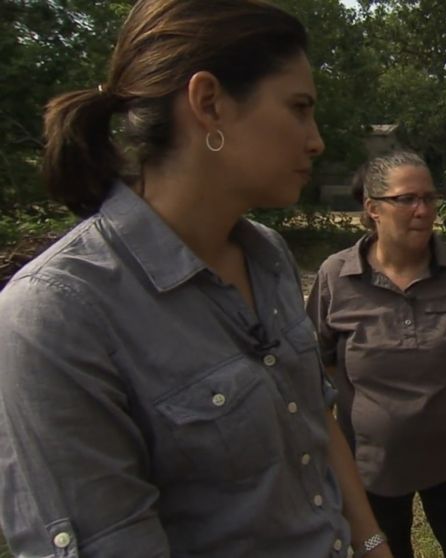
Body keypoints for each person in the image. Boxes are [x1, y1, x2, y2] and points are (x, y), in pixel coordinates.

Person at [0, 1, 392, 557]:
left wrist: (373, 543)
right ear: (208, 103)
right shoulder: (56, 317)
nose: (317, 139)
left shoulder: (267, 254)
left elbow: (312, 417)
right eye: (299, 108)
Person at [306, 150, 446, 558]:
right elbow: (321, 358)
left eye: (430, 199)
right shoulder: (336, 276)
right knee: (389, 548)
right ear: (373, 209)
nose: (422, 210)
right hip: (372, 462)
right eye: (407, 199)